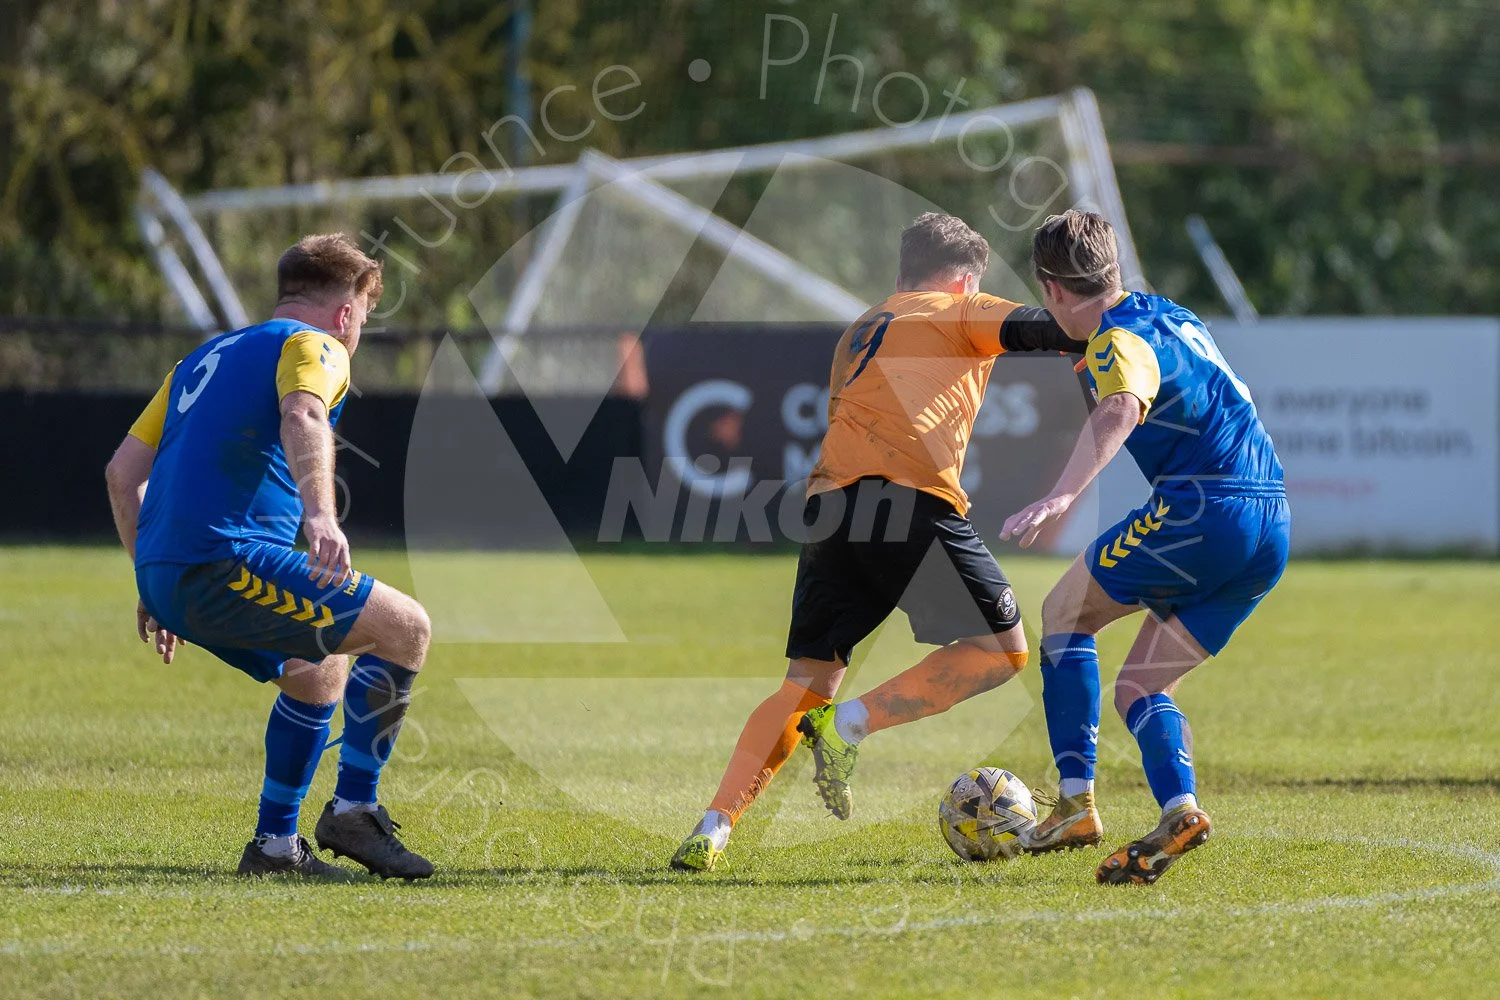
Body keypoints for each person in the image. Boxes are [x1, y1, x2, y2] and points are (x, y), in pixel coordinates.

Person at [670, 212, 1084, 871]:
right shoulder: (960, 310)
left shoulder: (863, 326)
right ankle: (850, 724)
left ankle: (714, 824)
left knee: (805, 683)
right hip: (909, 499)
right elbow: (1057, 327)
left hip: (830, 505)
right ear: (966, 280)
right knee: (1002, 651)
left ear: (903, 273)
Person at [104, 234, 436, 880]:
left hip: (168, 572)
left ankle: (275, 849)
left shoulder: (201, 359)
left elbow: (122, 474)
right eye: (362, 319)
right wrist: (321, 515)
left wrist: (151, 577)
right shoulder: (315, 345)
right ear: (346, 313)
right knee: (406, 630)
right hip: (225, 562)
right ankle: (354, 811)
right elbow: (304, 414)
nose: (356, 335)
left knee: (319, 667)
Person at [1001, 209, 1290, 885]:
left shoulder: (1115, 340)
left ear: (1053, 289)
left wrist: (1063, 495)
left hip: (1201, 512)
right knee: (1141, 686)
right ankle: (1179, 811)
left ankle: (1074, 805)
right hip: (1270, 522)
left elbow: (1120, 405)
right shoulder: (1171, 315)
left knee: (1064, 612)